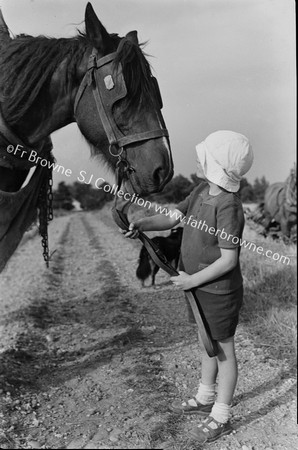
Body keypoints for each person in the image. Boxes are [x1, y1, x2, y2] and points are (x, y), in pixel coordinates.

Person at [121, 130, 254, 444]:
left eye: (204, 155)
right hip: (198, 289)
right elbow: (171, 218)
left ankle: (221, 414)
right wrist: (142, 223)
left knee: (223, 352)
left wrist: (192, 279)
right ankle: (206, 395)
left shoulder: (229, 207)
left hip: (218, 292)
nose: (198, 157)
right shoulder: (200, 192)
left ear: (217, 164)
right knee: (205, 342)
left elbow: (228, 261)